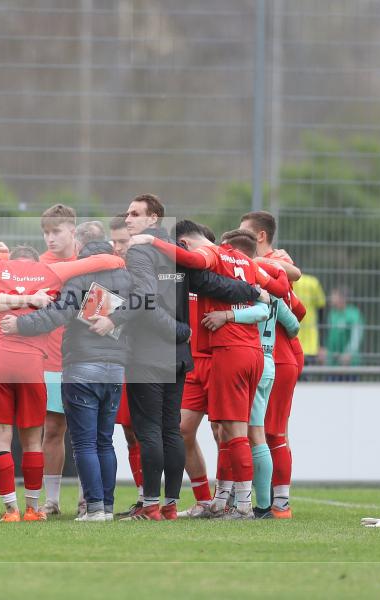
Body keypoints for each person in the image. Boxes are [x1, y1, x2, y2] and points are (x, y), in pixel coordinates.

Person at [0, 242, 125, 521]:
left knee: (1, 441)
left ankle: (11, 510)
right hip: (32, 363)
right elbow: (96, 262)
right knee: (33, 441)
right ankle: (33, 509)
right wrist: (117, 259)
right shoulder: (50, 270)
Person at [128, 209, 285, 520]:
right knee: (194, 430)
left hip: (223, 352)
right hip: (218, 355)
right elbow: (277, 291)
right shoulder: (235, 261)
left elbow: (200, 268)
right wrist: (266, 279)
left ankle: (248, 505)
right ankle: (218, 500)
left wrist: (231, 313)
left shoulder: (207, 258)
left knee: (235, 431)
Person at [3, 221, 132, 522]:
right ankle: (107, 507)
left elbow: (59, 314)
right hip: (115, 368)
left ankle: (95, 508)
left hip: (82, 365)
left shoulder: (79, 275)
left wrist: (20, 325)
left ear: (79, 248)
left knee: (84, 442)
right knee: (105, 440)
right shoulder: (126, 277)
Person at [202, 229, 301, 519]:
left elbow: (258, 309)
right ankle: (259, 502)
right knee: (250, 433)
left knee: (247, 434)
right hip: (266, 360)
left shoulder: (247, 281)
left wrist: (231, 316)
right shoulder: (270, 278)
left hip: (247, 357)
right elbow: (294, 325)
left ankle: (255, 505)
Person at [239, 210, 307, 518]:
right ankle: (259, 498)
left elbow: (298, 310)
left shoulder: (274, 263)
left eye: (244, 233)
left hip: (278, 355)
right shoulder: (274, 264)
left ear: (260, 236)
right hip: (272, 354)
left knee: (272, 432)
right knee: (262, 431)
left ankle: (279, 503)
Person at [37, 204, 78, 515]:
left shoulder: (90, 261)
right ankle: (51, 501)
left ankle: (88, 497)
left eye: (56, 232)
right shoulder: (40, 265)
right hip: (51, 360)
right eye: (46, 233)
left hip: (87, 358)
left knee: (87, 430)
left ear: (72, 230)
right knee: (53, 428)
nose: (50, 239)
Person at [107, 214, 143, 515]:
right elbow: (91, 318)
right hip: (117, 362)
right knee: (128, 432)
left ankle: (157, 500)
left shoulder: (150, 272)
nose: (119, 247)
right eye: (115, 242)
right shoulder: (108, 274)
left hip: (147, 362)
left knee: (148, 430)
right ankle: (144, 498)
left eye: (124, 241)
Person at [322, 288, 364, 367]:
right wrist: (325, 350)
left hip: (350, 363)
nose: (331, 298)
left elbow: (356, 337)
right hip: (332, 363)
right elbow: (328, 336)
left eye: (334, 295)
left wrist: (349, 353)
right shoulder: (331, 314)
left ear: (342, 298)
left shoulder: (354, 314)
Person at [292, 273, 326, 366]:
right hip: (311, 344)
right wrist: (322, 345)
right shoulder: (313, 283)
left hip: (292, 338)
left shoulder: (288, 281)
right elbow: (322, 313)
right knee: (308, 377)